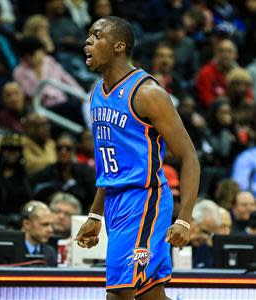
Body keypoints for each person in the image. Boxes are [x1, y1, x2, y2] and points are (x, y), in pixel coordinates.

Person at [76, 16, 200, 300]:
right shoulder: (97, 92)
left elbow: (189, 156)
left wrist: (184, 220)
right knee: (150, 296)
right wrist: (95, 214)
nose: (88, 41)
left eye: (96, 36)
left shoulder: (148, 93)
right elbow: (109, 166)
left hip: (144, 201)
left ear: (119, 46)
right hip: (114, 203)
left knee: (119, 294)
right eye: (88, 36)